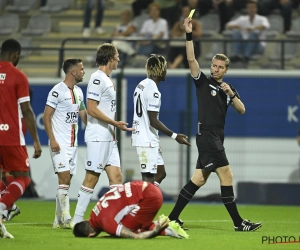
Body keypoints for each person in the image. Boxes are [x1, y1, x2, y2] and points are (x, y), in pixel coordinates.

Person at [167, 17, 262, 232]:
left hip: (216, 136)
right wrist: (188, 34)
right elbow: (191, 59)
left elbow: (242, 109)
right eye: (214, 65)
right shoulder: (203, 82)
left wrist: (231, 94)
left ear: (226, 70)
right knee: (227, 174)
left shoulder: (228, 89)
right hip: (208, 135)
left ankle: (172, 217)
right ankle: (239, 223)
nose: (216, 69)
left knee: (198, 179)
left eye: (220, 67)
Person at [73, 43, 134, 224]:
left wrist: (112, 130)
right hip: (99, 136)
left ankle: (118, 218)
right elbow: (92, 108)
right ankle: (76, 220)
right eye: (116, 56)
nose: (118, 59)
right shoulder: (97, 78)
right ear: (109, 59)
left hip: (108, 137)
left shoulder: (107, 79)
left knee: (116, 177)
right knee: (92, 177)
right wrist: (114, 123)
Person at [0, 39, 42, 238]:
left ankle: (4, 216)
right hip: (10, 137)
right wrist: (35, 140)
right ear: (16, 54)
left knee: (3, 180)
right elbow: (26, 110)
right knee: (22, 178)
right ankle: (2, 209)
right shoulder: (18, 76)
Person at [132, 54, 191, 187]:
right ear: (160, 69)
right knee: (148, 177)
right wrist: (175, 136)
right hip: (146, 139)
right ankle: (142, 206)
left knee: (160, 174)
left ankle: (148, 199)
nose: (166, 71)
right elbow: (153, 121)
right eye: (165, 68)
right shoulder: (153, 90)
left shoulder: (141, 84)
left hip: (145, 136)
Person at [43, 58, 87, 229]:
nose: (84, 72)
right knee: (64, 178)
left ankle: (58, 220)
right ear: (73, 72)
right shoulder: (57, 91)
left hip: (73, 145)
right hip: (59, 143)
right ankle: (68, 218)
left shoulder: (79, 92)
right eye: (81, 69)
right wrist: (52, 139)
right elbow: (46, 116)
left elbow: (83, 115)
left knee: (66, 182)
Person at [73, 180, 189, 239]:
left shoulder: (106, 223)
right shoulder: (94, 213)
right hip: (144, 186)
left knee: (128, 231)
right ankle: (161, 224)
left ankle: (168, 228)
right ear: (87, 220)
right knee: (121, 228)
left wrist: (156, 231)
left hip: (150, 197)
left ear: (91, 235)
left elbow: (136, 238)